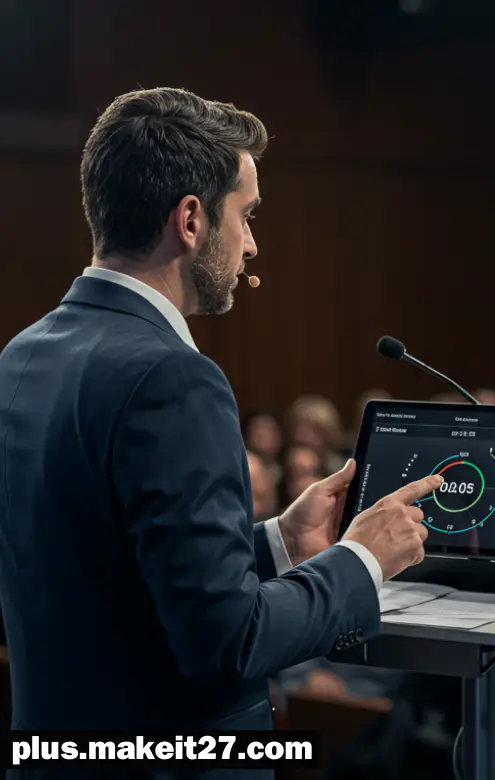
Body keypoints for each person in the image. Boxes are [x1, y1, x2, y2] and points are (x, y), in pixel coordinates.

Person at [0, 88, 439, 769]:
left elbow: (109, 579)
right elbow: (227, 642)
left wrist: (280, 542)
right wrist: (363, 559)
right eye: (248, 215)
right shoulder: (171, 378)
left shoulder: (22, 355)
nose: (253, 243)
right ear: (192, 220)